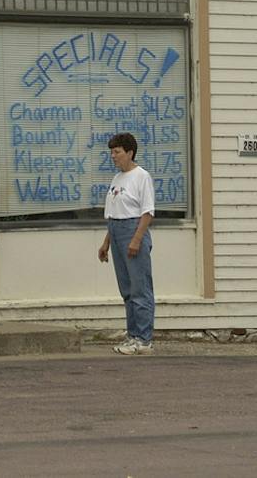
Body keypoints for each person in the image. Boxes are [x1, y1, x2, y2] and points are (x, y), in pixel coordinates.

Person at [96, 131, 156, 354]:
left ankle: (144, 339)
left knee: (140, 288)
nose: (113, 156)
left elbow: (147, 212)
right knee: (127, 289)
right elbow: (114, 212)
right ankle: (132, 335)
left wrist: (137, 239)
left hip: (133, 229)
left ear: (129, 152)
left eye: (117, 152)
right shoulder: (117, 178)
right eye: (111, 152)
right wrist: (106, 243)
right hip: (116, 229)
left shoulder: (141, 176)